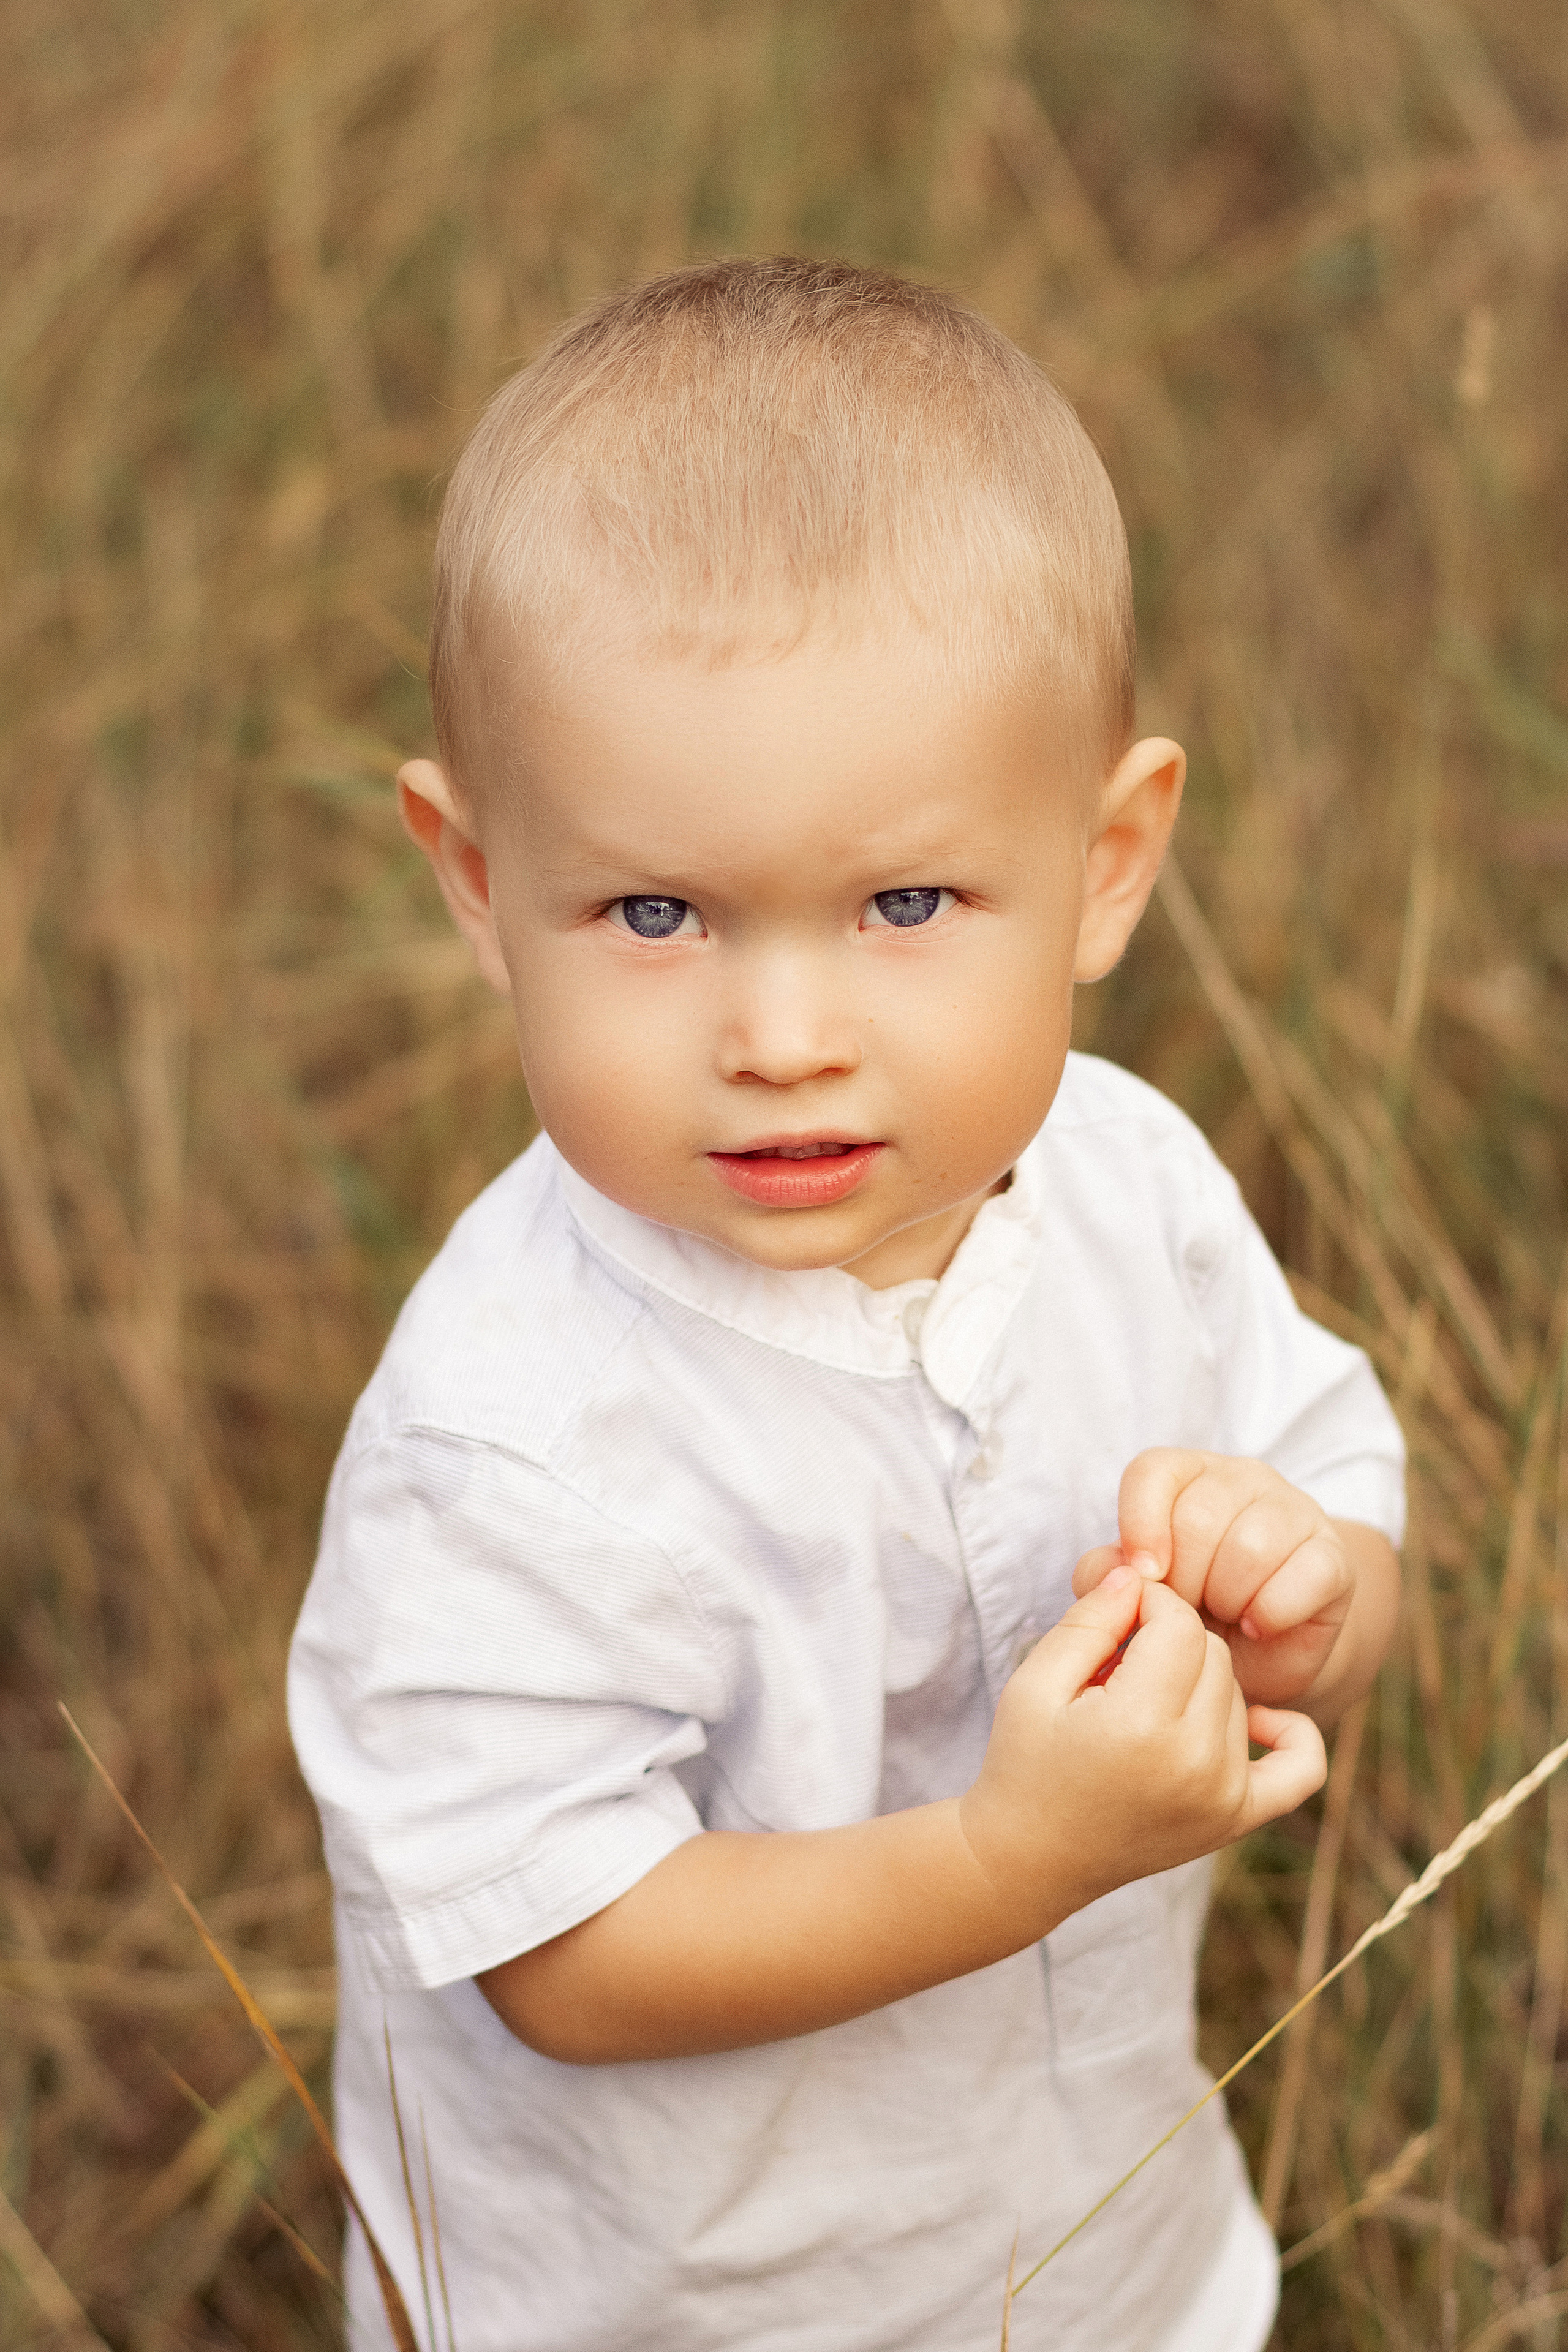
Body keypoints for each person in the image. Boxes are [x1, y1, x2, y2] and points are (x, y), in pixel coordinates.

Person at [288, 257, 1404, 2352]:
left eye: (905, 902)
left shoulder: (1133, 1190)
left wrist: (1306, 1597)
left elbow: (1342, 1496)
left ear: (1109, 863)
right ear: (479, 881)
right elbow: (565, 1955)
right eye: (656, 911)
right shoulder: (509, 1433)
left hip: (1096, 2263)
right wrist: (1007, 1860)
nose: (784, 1034)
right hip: (678, 2306)